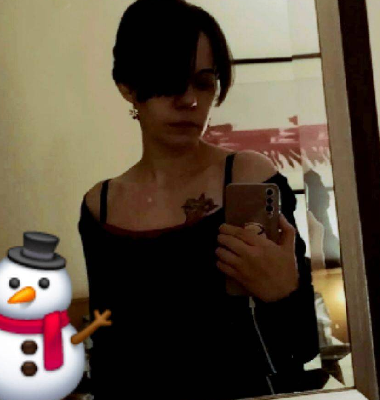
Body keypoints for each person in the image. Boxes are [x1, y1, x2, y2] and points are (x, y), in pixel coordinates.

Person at [77, 1, 320, 399]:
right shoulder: (100, 204)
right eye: (169, 80)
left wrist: (284, 293)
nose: (189, 100)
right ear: (128, 87)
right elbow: (108, 346)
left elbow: (302, 347)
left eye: (204, 82)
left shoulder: (247, 177)